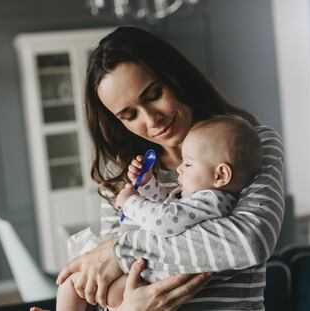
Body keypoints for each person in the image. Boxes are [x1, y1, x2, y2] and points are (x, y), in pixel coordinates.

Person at [54, 25, 284, 311]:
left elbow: (249, 241)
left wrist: (120, 251)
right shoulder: (124, 176)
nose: (152, 119)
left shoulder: (250, 145)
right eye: (129, 115)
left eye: (153, 94)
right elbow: (108, 285)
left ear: (175, 76)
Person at [56, 116, 263, 310]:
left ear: (221, 174)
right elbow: (167, 208)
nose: (180, 169)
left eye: (188, 164)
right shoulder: (203, 201)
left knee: (73, 284)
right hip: (149, 278)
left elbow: (164, 221)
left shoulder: (212, 201)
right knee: (81, 286)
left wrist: (130, 203)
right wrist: (147, 185)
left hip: (152, 281)